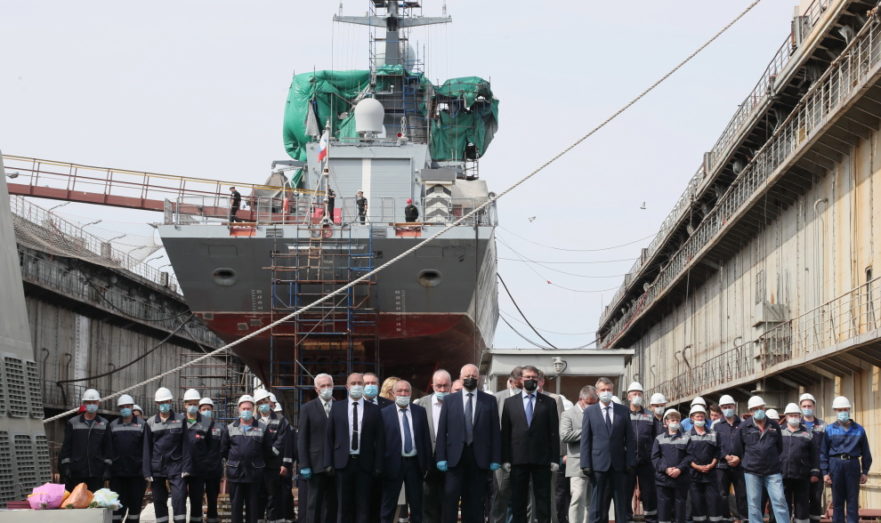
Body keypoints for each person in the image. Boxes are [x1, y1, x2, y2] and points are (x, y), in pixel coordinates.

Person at [435, 363, 502, 523]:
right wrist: (440, 457)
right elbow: (442, 431)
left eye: (473, 376)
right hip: (454, 458)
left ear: (479, 378)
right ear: (460, 378)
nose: (470, 379)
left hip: (479, 459)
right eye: (467, 376)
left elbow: (495, 431)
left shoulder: (489, 400)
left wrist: (495, 458)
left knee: (475, 502)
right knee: (450, 498)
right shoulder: (449, 400)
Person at [500, 366, 559, 523]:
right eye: (527, 377)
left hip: (542, 460)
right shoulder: (509, 403)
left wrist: (555, 458)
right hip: (518, 459)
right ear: (521, 379)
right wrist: (505, 458)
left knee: (543, 500)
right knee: (518, 500)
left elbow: (553, 432)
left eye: (534, 377)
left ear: (538, 380)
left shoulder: (549, 402)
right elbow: (505, 433)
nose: (530, 380)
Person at [326, 372, 385, 523]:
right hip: (342, 464)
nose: (357, 386)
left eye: (360, 383)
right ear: (347, 386)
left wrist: (378, 465)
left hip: (365, 464)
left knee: (363, 506)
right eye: (353, 383)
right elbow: (329, 437)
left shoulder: (374, 410)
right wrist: (328, 462)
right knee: (343, 506)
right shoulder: (337, 408)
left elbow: (380, 439)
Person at [580, 377, 636, 523]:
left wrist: (630, 461)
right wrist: (585, 464)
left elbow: (630, 439)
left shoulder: (623, 411)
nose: (606, 392)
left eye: (609, 389)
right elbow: (586, 439)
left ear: (613, 391)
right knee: (597, 505)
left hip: (619, 465)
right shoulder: (590, 412)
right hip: (598, 465)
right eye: (603, 390)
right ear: (597, 392)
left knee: (621, 504)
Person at [381, 380, 432, 523]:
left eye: (406, 391)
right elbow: (381, 442)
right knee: (388, 506)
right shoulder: (384, 413)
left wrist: (427, 465)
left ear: (410, 393)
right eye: (400, 391)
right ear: (393, 393)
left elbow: (425, 439)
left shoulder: (419, 412)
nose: (403, 394)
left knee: (416, 505)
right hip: (393, 465)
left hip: (415, 464)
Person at [733, 396, 790, 523]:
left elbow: (779, 447)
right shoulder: (744, 427)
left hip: (773, 471)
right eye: (755, 409)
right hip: (752, 471)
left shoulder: (774, 425)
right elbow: (738, 449)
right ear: (750, 411)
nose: (758, 411)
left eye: (760, 408)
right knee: (754, 504)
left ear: (764, 408)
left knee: (780, 500)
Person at [820, 396, 872, 523]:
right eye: (839, 410)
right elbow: (823, 452)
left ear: (849, 409)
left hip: (852, 465)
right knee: (837, 502)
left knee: (852, 501)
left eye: (844, 409)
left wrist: (865, 472)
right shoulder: (829, 429)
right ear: (835, 411)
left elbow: (866, 452)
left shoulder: (859, 430)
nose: (842, 412)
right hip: (835, 465)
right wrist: (825, 472)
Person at [222, 395, 272, 523]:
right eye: (243, 408)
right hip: (235, 474)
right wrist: (236, 460)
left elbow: (267, 450)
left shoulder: (262, 427)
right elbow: (224, 450)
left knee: (253, 509)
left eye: (249, 409)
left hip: (254, 474)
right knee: (236, 508)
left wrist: (256, 461)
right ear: (239, 409)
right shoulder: (230, 428)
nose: (246, 411)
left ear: (253, 409)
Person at [143, 386, 187, 523]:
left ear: (171, 401)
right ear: (157, 403)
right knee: (158, 500)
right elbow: (147, 448)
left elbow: (186, 445)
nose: (164, 405)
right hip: (157, 467)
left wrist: (186, 467)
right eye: (161, 402)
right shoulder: (150, 423)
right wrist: (147, 471)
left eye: (166, 402)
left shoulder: (181, 420)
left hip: (177, 466)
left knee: (179, 499)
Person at [298, 373, 337, 523]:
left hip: (336, 463)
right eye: (323, 386)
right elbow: (302, 438)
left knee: (332, 504)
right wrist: (304, 464)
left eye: (329, 385)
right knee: (314, 504)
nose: (326, 388)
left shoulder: (340, 407)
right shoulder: (307, 408)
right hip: (315, 465)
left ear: (333, 386)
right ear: (316, 389)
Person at [414, 369, 453, 523]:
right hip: (428, 460)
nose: (442, 390)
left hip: (451, 460)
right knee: (428, 501)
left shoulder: (457, 403)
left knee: (448, 501)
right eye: (439, 386)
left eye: (445, 386)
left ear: (450, 385)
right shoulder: (421, 404)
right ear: (432, 386)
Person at [59, 388, 111, 492]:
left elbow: (108, 448)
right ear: (84, 403)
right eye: (88, 402)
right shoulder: (73, 423)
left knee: (94, 501)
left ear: (98, 403)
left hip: (97, 473)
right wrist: (66, 467)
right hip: (76, 472)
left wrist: (107, 469)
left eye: (94, 402)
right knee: (77, 500)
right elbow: (66, 447)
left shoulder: (104, 424)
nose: (91, 405)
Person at [254, 388, 292, 523]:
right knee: (258, 496)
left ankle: (273, 520)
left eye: (264, 401)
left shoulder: (281, 420)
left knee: (273, 496)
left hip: (273, 465)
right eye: (259, 403)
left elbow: (282, 441)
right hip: (257, 466)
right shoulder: (254, 420)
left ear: (269, 401)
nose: (263, 404)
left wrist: (271, 454)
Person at [491, 367, 523, 523]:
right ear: (511, 381)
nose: (521, 388)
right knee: (500, 496)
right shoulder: (497, 399)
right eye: (519, 385)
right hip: (501, 456)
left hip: (523, 457)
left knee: (521, 498)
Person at [562, 385, 598, 523]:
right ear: (580, 399)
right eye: (589, 403)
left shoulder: (598, 413)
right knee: (577, 497)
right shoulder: (568, 414)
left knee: (592, 500)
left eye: (594, 403)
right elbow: (565, 435)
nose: (592, 406)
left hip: (596, 462)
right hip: (577, 464)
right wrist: (586, 431)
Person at [109, 394, 146, 523]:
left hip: (137, 475)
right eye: (122, 407)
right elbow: (109, 449)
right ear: (119, 408)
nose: (125, 409)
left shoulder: (142, 425)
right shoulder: (113, 425)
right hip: (117, 475)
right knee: (116, 509)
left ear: (132, 407)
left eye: (128, 406)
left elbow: (146, 449)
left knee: (135, 508)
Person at [780, 403, 819, 523]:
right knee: (783, 506)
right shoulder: (779, 432)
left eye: (796, 415)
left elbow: (814, 455)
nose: (793, 418)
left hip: (802, 476)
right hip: (783, 476)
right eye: (791, 415)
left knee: (802, 506)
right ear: (786, 417)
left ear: (799, 416)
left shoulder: (808, 433)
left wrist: (815, 472)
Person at [651, 409, 691, 523]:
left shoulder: (686, 438)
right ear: (666, 422)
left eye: (677, 420)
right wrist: (666, 469)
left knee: (680, 511)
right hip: (663, 481)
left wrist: (679, 469)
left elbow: (689, 456)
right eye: (672, 420)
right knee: (663, 511)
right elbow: (655, 458)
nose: (675, 422)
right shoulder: (659, 438)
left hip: (680, 480)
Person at [626, 381, 658, 523]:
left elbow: (656, 437)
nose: (637, 396)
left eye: (639, 394)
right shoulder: (623, 414)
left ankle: (650, 518)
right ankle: (627, 518)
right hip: (628, 460)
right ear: (628, 397)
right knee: (627, 491)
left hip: (646, 461)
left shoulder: (650, 415)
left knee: (648, 492)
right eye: (634, 394)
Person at [714, 394, 747, 523]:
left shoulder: (743, 424)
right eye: (724, 407)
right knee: (722, 494)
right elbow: (714, 445)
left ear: (734, 406)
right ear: (721, 408)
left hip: (739, 465)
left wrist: (739, 457)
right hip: (722, 466)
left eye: (730, 406)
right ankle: (725, 518)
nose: (727, 409)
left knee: (742, 494)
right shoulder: (716, 425)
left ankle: (743, 518)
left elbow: (747, 444)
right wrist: (725, 456)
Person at [686, 404, 721, 523]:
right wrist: (696, 467)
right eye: (697, 416)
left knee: (713, 503)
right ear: (692, 418)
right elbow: (686, 455)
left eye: (702, 416)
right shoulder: (687, 435)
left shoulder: (713, 434)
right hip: (694, 476)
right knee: (697, 504)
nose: (700, 418)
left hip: (711, 475)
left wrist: (711, 465)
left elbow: (717, 451)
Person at [181, 388, 211, 523]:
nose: (192, 406)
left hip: (199, 468)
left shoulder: (206, 422)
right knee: (179, 500)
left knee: (197, 501)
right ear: (185, 405)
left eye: (195, 404)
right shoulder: (179, 421)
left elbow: (210, 445)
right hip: (181, 467)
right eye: (190, 404)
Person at [799, 392, 826, 523]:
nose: (807, 408)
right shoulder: (796, 425)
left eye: (809, 406)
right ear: (800, 407)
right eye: (804, 406)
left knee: (816, 500)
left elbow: (826, 448)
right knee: (801, 501)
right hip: (801, 470)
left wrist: (826, 471)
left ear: (814, 406)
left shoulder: (822, 425)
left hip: (818, 469)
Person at [198, 397, 225, 523]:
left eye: (208, 409)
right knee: (197, 497)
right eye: (204, 409)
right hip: (198, 470)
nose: (206, 411)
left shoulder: (220, 428)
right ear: (199, 410)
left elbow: (224, 447)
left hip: (214, 469)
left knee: (213, 497)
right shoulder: (196, 427)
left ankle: (212, 518)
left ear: (212, 410)